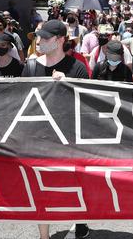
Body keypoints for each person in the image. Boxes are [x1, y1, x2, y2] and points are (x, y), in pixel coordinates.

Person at [20, 20, 89, 239]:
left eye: (45, 38)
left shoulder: (76, 67)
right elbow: (20, 100)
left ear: (60, 41)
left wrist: (69, 84)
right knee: (40, 186)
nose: (39, 41)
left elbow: (88, 102)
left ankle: (81, 220)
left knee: (75, 182)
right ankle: (43, 235)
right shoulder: (30, 67)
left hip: (69, 138)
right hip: (38, 138)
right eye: (38, 37)